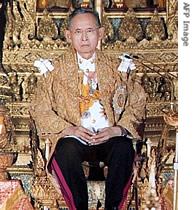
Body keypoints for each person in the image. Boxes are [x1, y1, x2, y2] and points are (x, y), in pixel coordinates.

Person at [30, 8, 146, 210]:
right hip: (75, 138)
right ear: (69, 35)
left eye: (90, 31)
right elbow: (40, 108)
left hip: (108, 137)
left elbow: (137, 103)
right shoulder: (54, 70)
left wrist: (116, 130)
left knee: (123, 148)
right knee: (66, 149)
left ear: (100, 33)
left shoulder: (118, 68)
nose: (84, 38)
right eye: (78, 32)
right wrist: (69, 129)